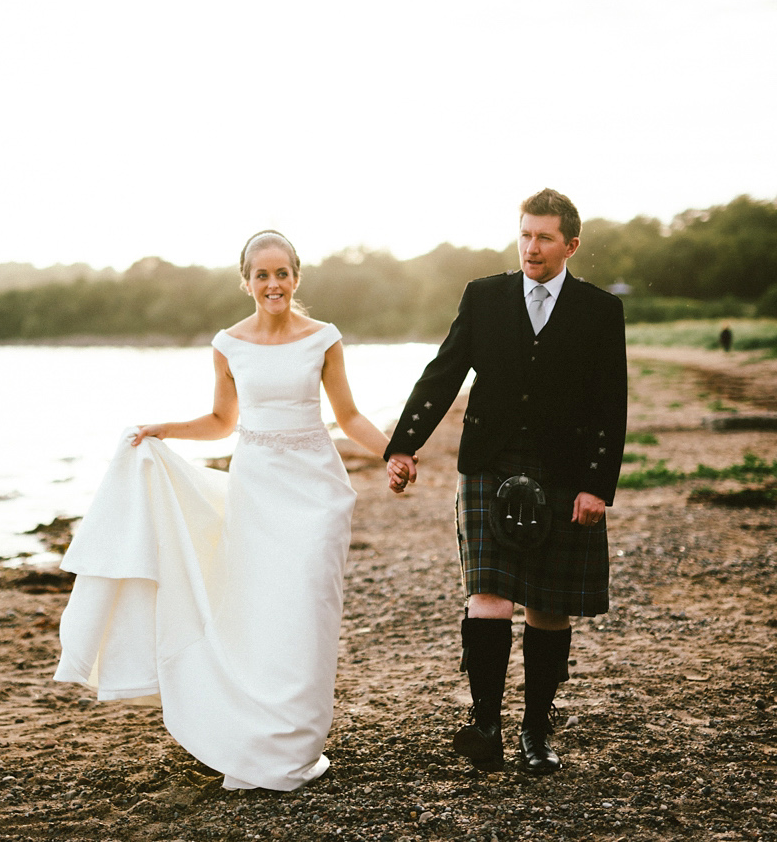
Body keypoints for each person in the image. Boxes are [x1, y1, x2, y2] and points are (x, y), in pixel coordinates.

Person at [53, 230, 389, 791]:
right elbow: (222, 422)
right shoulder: (228, 343)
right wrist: (167, 429)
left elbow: (349, 416)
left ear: (296, 278)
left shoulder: (323, 338)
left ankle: (297, 746)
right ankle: (255, 737)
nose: (273, 284)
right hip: (256, 490)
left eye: (282, 273)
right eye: (262, 275)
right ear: (247, 282)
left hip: (316, 491)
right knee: (261, 613)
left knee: (309, 609)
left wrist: (394, 451)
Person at [384, 190, 627, 776]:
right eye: (524, 234)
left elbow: (609, 405)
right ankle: (486, 724)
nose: (531, 247)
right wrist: (403, 444)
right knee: (488, 595)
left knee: (549, 603)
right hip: (490, 463)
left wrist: (597, 485)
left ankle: (536, 729)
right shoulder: (485, 296)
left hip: (565, 470)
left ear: (570, 244)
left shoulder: (599, 311)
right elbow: (443, 372)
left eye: (544, 237)